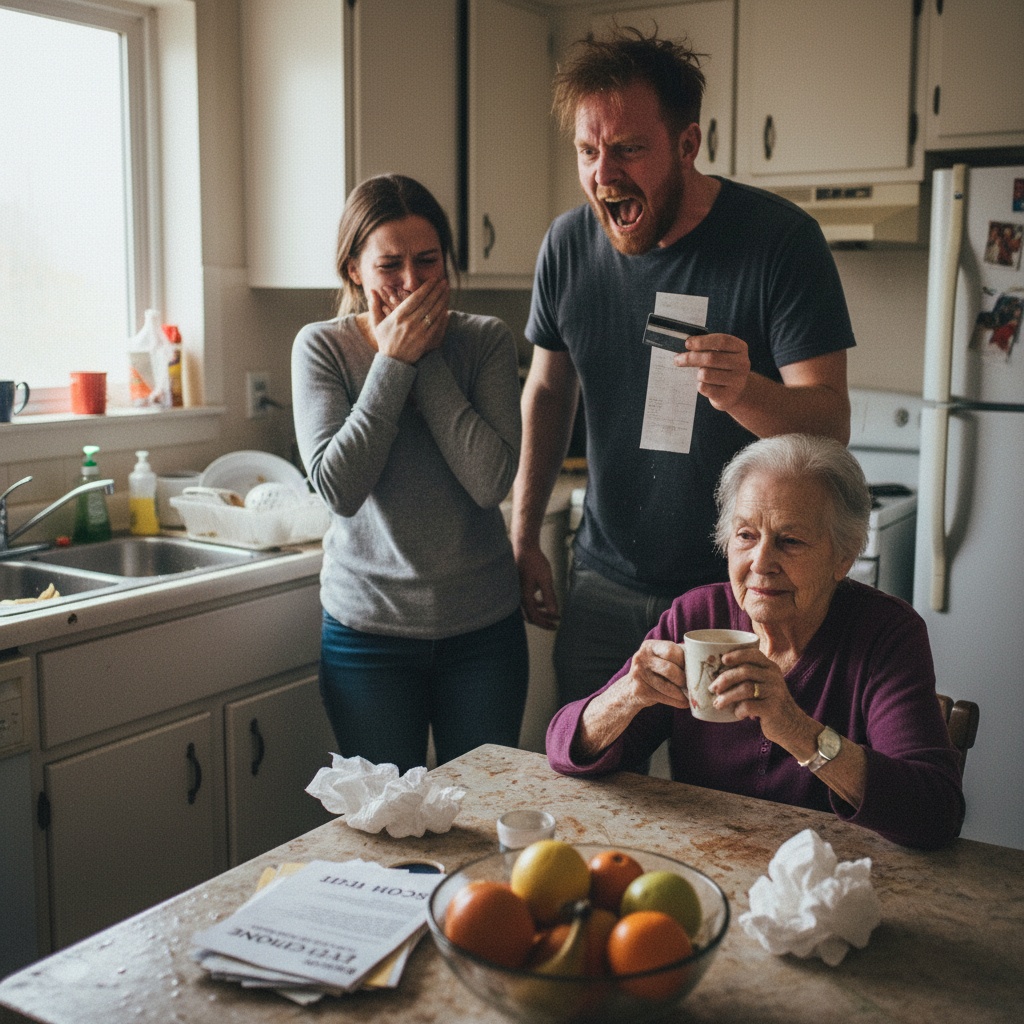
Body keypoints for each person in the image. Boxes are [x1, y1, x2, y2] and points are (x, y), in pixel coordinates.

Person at [511, 27, 856, 709]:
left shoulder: (779, 242)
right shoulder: (567, 245)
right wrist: (521, 536)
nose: (603, 175)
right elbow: (549, 392)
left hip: (735, 594)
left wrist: (747, 392)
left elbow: (830, 421)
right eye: (588, 151)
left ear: (688, 145)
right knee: (593, 792)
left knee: (730, 806)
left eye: (629, 149)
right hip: (603, 583)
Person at [547, 434, 965, 850]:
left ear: (845, 556)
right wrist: (628, 694)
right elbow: (563, 748)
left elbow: (935, 813)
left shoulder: (886, 634)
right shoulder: (697, 618)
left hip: (832, 883)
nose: (761, 563)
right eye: (746, 535)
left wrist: (798, 730)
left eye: (791, 541)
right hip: (710, 861)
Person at [292, 174, 528, 774]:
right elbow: (340, 489)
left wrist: (425, 362)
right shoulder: (321, 348)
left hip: (482, 632)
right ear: (354, 271)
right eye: (390, 265)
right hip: (366, 635)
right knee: (383, 825)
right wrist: (392, 361)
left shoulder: (485, 341)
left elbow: (489, 481)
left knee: (483, 812)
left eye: (427, 262)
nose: (411, 283)